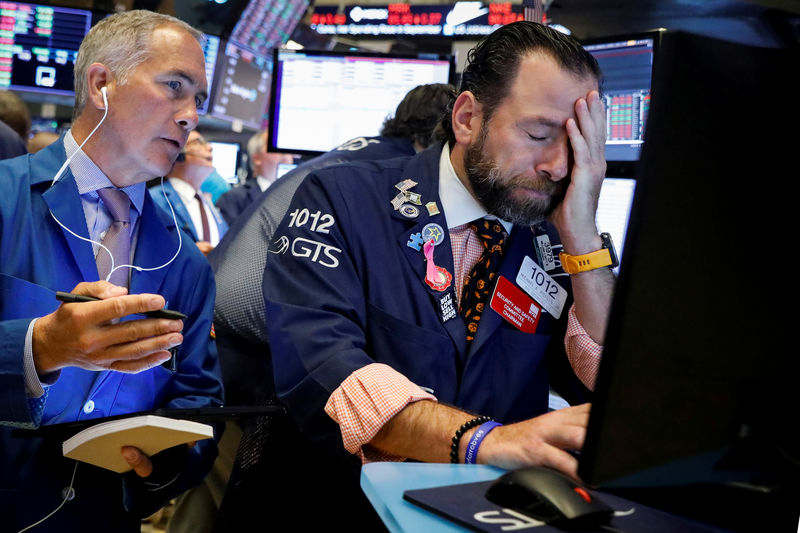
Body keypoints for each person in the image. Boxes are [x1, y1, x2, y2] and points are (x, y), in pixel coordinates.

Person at [260, 21, 613, 528]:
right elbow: (328, 367)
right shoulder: (342, 199)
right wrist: (486, 442)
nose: (558, 166)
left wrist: (582, 238)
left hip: (496, 515)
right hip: (347, 510)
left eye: (577, 147)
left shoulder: (553, 241)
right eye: (538, 135)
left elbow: (606, 384)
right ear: (468, 118)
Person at [0, 10, 224, 533]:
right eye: (174, 87)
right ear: (102, 84)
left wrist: (167, 464)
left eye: (199, 100)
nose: (191, 116)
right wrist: (38, 350)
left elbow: (197, 403)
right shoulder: (5, 199)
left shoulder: (184, 261)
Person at [197, 82, 455, 532]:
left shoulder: (351, 153)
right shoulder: (388, 179)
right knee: (225, 503)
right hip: (253, 364)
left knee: (210, 498)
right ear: (441, 133)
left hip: (220, 343)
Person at [150, 130, 228, 256]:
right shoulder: (155, 199)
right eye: (198, 143)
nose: (209, 147)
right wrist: (187, 254)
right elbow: (148, 249)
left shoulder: (206, 200)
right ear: (177, 155)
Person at [215, 130, 293, 225]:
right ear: (257, 159)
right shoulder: (234, 198)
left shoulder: (297, 197)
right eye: (274, 147)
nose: (285, 153)